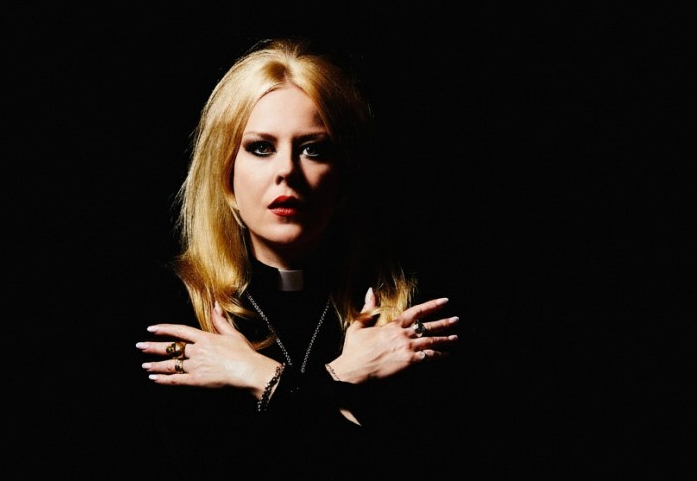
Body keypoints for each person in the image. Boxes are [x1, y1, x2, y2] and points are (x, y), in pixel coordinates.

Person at [133, 38, 461, 477]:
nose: (287, 170)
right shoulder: (174, 311)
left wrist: (255, 376)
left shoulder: (402, 317)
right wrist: (343, 378)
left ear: (344, 174)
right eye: (261, 148)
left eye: (314, 149)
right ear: (226, 174)